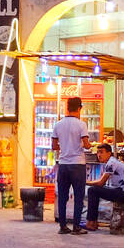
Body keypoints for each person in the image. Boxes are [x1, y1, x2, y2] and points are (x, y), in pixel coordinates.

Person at [51, 96, 91, 234]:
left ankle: (62, 226)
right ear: (79, 108)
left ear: (67, 108)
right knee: (79, 196)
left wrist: (65, 147)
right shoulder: (81, 124)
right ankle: (76, 227)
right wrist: (87, 145)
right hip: (78, 164)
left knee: (63, 196)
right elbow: (86, 145)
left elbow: (54, 146)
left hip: (63, 165)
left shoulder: (58, 124)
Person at [85, 143, 124, 231]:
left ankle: (91, 222)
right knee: (94, 190)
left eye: (101, 152)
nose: (99, 155)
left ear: (109, 153)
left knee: (92, 190)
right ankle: (93, 222)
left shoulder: (111, 163)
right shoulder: (112, 162)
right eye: (98, 152)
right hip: (122, 191)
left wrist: (85, 182)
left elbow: (101, 183)